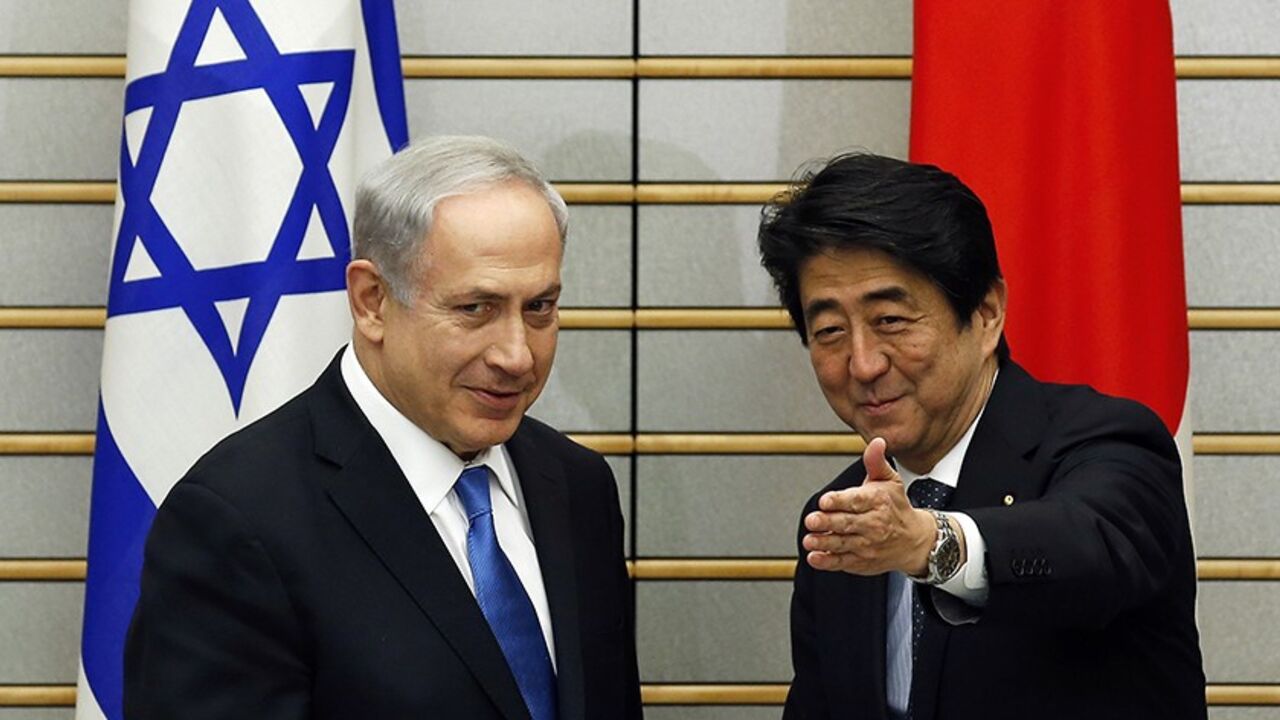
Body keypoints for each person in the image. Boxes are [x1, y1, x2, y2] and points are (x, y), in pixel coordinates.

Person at [124, 136, 642, 719]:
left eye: (540, 308)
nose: (517, 355)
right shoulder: (239, 519)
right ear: (372, 300)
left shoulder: (577, 485)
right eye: (476, 309)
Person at [757, 152, 1206, 720]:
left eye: (891, 320)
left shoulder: (1110, 442)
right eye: (829, 331)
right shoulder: (844, 524)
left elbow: (1089, 551)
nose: (863, 363)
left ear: (987, 313)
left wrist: (931, 544)